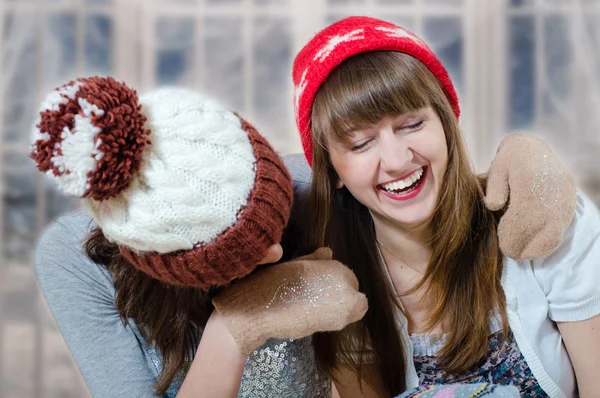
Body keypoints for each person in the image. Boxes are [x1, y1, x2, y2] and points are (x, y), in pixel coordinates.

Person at [291, 16, 600, 397]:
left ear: (446, 121)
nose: (396, 160)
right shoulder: (340, 285)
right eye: (360, 144)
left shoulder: (537, 217)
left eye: (411, 124)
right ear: (333, 169)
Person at [30, 76, 366, 398]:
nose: (276, 253)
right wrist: (233, 329)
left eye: (278, 217)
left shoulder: (311, 186)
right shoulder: (74, 260)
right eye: (242, 252)